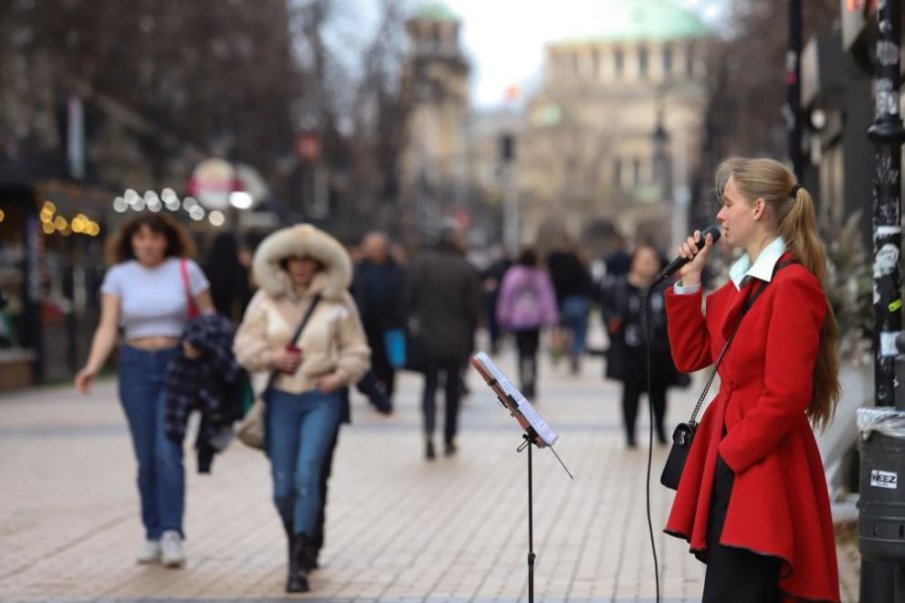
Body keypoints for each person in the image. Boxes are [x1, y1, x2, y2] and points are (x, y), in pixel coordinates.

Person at [664, 157, 840, 602]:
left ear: (758, 208)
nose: (720, 215)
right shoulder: (746, 283)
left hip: (760, 469)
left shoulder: (792, 285)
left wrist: (730, 453)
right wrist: (690, 280)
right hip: (736, 462)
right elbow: (692, 355)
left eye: (728, 204)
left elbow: (787, 394)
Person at [233, 224, 370, 593]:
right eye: (295, 258)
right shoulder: (263, 300)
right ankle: (301, 537)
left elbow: (357, 349)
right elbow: (244, 345)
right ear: (283, 261)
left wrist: (339, 376)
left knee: (308, 475)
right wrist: (270, 356)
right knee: (282, 487)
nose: (302, 266)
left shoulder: (337, 300)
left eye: (309, 259)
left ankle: (298, 561)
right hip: (280, 399)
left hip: (320, 397)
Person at [75, 213, 214, 568]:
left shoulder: (186, 270)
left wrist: (199, 345)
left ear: (167, 240)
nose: (147, 244)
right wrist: (92, 365)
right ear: (130, 241)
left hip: (176, 366)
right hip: (135, 366)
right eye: (140, 238)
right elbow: (108, 327)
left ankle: (172, 533)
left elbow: (209, 319)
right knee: (146, 458)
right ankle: (151, 532)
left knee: (168, 451)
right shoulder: (119, 276)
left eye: (154, 237)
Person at [405, 225, 481, 460]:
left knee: (429, 387)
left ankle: (428, 432)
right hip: (456, 339)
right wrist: (471, 338)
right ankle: (449, 437)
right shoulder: (464, 267)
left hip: (427, 338)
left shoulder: (421, 264)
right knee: (452, 389)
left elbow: (407, 300)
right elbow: (474, 309)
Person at [602, 244, 680, 448]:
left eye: (651, 260)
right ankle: (630, 434)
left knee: (659, 394)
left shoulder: (665, 287)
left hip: (658, 351)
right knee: (630, 395)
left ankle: (661, 430)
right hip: (629, 353)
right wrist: (614, 326)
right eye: (643, 260)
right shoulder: (620, 287)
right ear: (634, 263)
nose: (647, 264)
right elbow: (608, 312)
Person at [495, 248, 558, 399]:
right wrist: (551, 318)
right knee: (533, 353)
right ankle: (532, 384)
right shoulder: (540, 276)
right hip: (535, 321)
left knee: (521, 353)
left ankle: (523, 382)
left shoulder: (513, 275)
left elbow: (506, 297)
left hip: (518, 321)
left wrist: (503, 317)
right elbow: (547, 298)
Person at [353, 232, 406, 405]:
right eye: (373, 248)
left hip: (390, 324)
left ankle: (387, 395)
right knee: (368, 363)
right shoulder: (358, 270)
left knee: (389, 363)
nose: (376, 252)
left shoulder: (397, 270)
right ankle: (374, 393)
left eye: (379, 248)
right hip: (364, 324)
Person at [547, 237, 592, 373]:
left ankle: (559, 352)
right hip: (579, 300)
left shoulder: (556, 263)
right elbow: (588, 283)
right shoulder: (579, 264)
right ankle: (576, 352)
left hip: (563, 301)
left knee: (560, 329)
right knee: (579, 331)